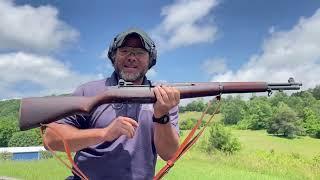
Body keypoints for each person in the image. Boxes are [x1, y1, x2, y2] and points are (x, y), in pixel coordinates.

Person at [43, 28, 180, 180]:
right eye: (125, 50)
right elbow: (51, 140)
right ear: (113, 56)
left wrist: (162, 116)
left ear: (150, 60)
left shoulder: (164, 98)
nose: (132, 57)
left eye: (140, 52)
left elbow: (169, 154)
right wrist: (103, 134)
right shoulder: (87, 91)